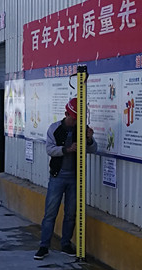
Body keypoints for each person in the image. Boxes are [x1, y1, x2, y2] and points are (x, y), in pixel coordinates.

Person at [34, 98, 98, 259]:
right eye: (73, 118)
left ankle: (66, 244)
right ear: (66, 114)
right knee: (50, 212)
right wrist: (66, 149)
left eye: (77, 119)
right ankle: (44, 246)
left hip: (75, 178)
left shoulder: (82, 129)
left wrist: (89, 140)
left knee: (71, 213)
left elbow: (93, 149)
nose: (75, 121)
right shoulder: (54, 129)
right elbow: (49, 149)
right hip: (57, 177)